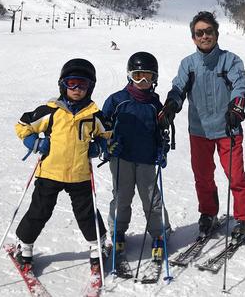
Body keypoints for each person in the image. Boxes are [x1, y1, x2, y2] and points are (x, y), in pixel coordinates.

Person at [157, 11, 245, 240]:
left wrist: (236, 107)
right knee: (202, 176)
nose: (204, 36)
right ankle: (208, 213)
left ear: (216, 34)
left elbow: (240, 85)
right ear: (193, 37)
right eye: (199, 33)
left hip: (227, 129)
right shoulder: (188, 64)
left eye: (208, 32)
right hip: (199, 130)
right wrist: (171, 105)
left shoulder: (230, 60)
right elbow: (178, 88)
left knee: (236, 175)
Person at [13, 58, 111, 286]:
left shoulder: (93, 114)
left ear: (90, 87)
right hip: (50, 172)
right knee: (39, 211)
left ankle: (97, 245)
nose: (77, 89)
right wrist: (33, 142)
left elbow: (108, 134)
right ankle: (24, 245)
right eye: (72, 83)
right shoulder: (51, 111)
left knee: (86, 214)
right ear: (63, 84)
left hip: (79, 175)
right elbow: (22, 124)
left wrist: (100, 146)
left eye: (83, 84)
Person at [102, 51, 171, 261]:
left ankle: (159, 232)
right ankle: (118, 231)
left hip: (146, 158)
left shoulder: (155, 104)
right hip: (121, 158)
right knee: (122, 196)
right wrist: (108, 145)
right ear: (129, 75)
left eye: (147, 77)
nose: (142, 81)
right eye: (137, 75)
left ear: (154, 79)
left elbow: (161, 131)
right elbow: (102, 128)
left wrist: (162, 148)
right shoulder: (116, 100)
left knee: (151, 197)